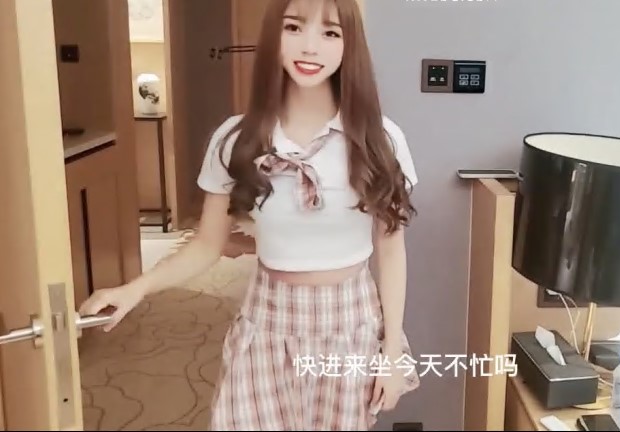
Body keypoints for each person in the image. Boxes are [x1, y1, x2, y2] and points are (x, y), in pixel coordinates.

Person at [79, 0, 421, 430]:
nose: (310, 46)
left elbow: (390, 252)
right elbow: (207, 245)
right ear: (273, 36)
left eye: (330, 33)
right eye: (294, 27)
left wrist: (391, 354)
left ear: (349, 45)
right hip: (267, 324)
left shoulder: (381, 140)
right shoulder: (236, 138)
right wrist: (136, 289)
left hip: (350, 325)